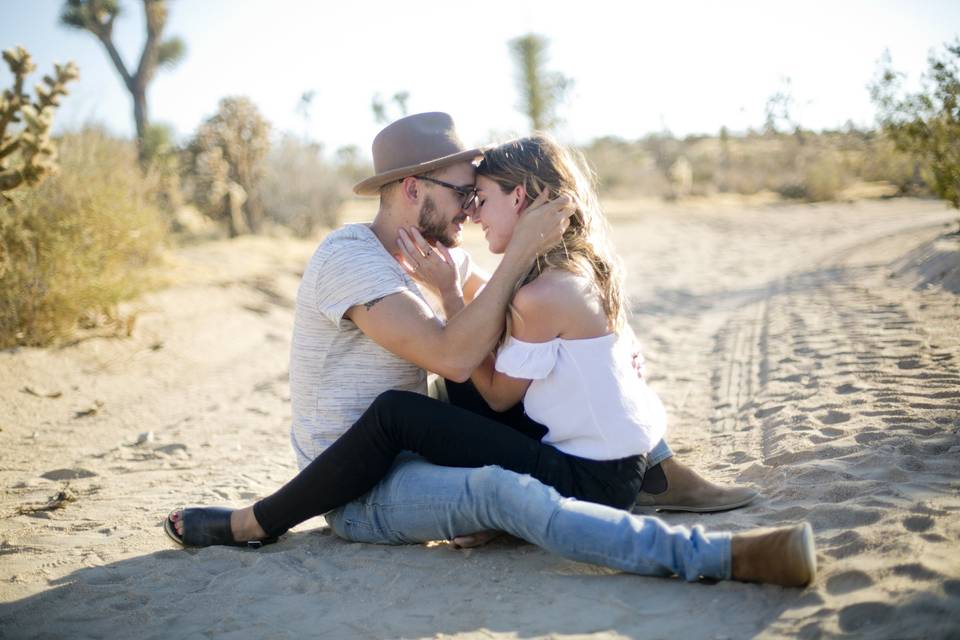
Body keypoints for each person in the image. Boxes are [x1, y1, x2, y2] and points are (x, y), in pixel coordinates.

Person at [165, 113, 814, 586]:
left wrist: (496, 275)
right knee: (492, 475)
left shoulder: (430, 254)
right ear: (414, 189)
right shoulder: (350, 261)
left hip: (409, 446)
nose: (471, 210)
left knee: (515, 369)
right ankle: (717, 556)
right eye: (461, 194)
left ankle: (656, 471)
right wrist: (515, 260)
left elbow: (499, 324)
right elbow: (454, 353)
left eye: (480, 196)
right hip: (357, 483)